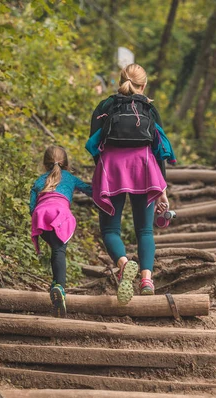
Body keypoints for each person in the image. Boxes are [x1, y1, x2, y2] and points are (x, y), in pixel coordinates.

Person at [86, 63, 177, 305]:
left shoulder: (106, 105)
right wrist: (162, 189)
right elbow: (160, 150)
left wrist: (103, 167)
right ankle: (147, 279)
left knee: (109, 230)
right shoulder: (149, 107)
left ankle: (124, 264)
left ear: (120, 81)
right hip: (144, 167)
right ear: (143, 85)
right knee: (145, 230)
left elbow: (93, 143)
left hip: (111, 167)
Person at [30, 145, 93, 318]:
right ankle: (60, 288)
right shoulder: (70, 178)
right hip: (60, 214)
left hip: (41, 216)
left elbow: (31, 207)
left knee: (55, 249)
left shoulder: (38, 181)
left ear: (44, 164)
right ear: (66, 163)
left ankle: (55, 285)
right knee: (59, 250)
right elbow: (91, 191)